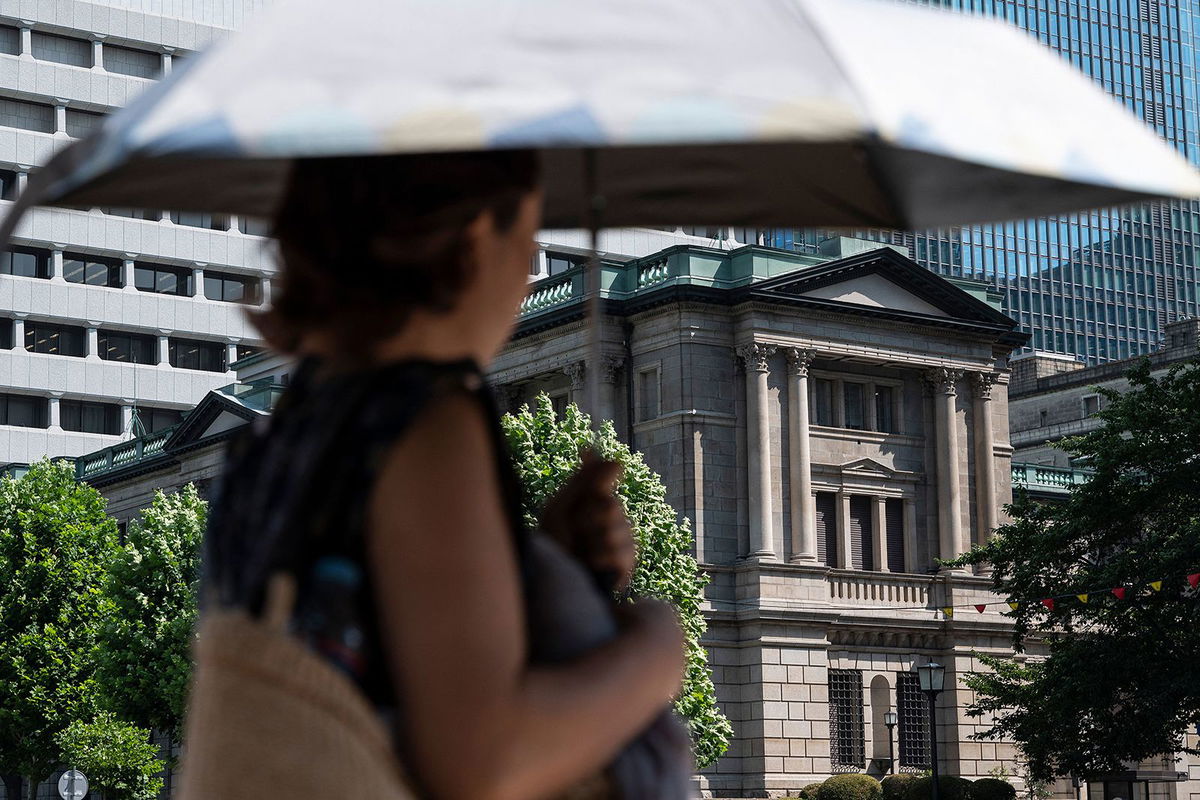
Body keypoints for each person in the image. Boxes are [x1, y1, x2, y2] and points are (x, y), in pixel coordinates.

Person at [203, 150, 691, 800]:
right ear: (477, 236)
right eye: (529, 239)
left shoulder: (283, 434)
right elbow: (483, 763)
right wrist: (657, 648)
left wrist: (545, 560)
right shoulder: (427, 422)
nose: (524, 277)